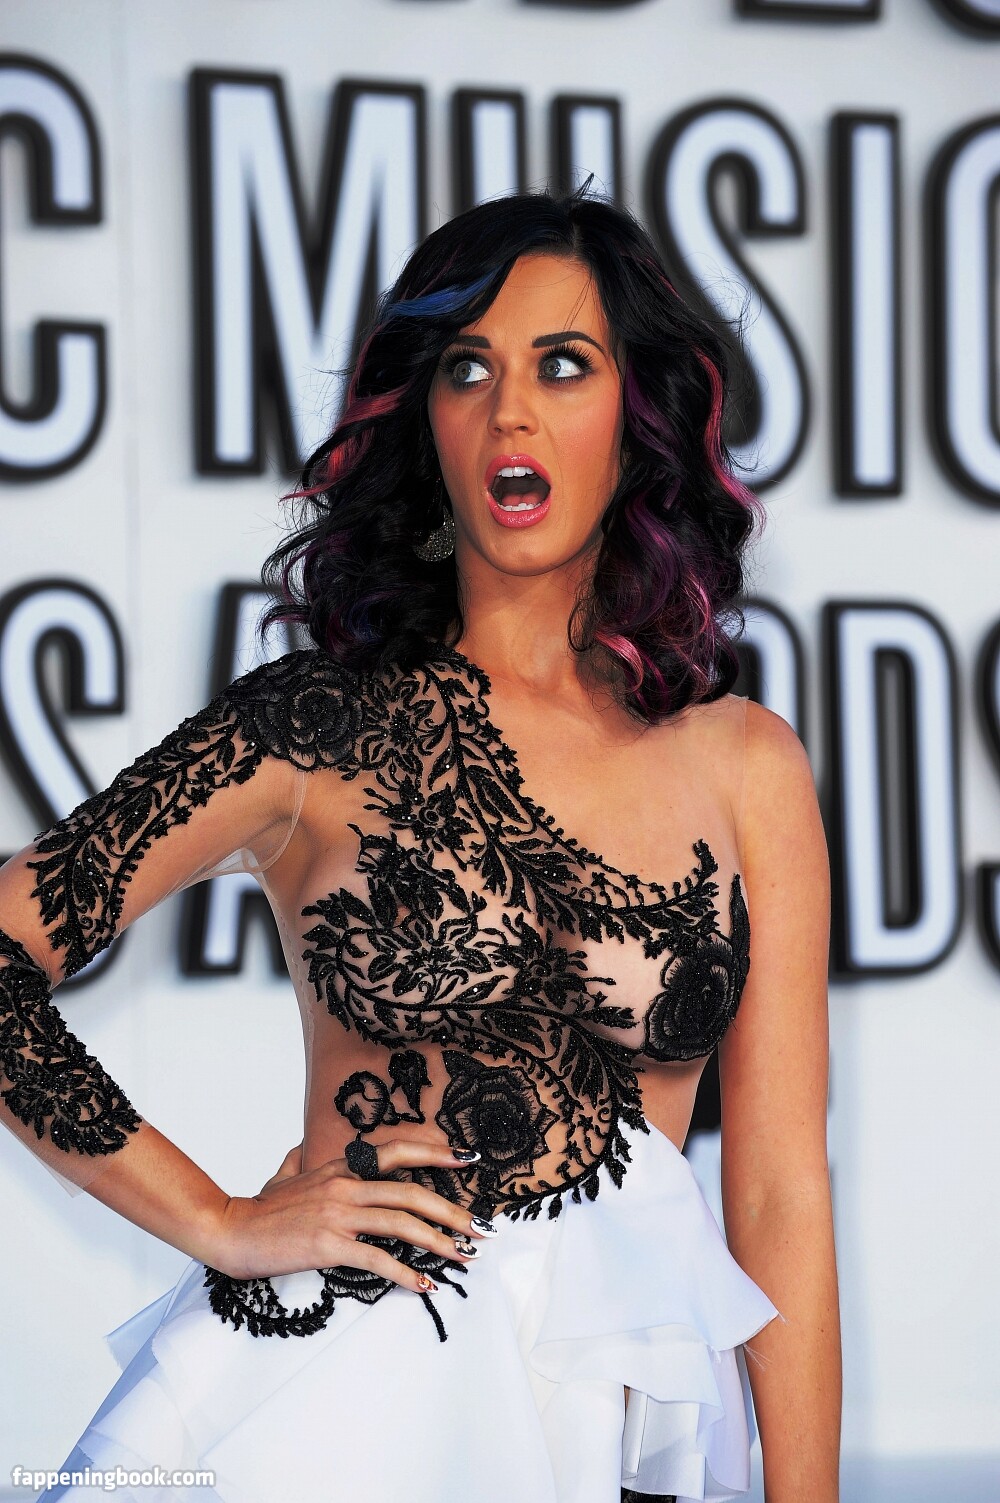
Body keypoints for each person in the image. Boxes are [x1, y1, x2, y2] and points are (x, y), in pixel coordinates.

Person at [0, 189, 840, 1503]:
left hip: (612, 1444)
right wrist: (218, 1220)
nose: (511, 413)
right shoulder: (314, 727)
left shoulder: (746, 765)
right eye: (468, 369)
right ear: (427, 421)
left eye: (564, 365)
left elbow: (782, 1196)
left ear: (638, 412)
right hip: (327, 1414)